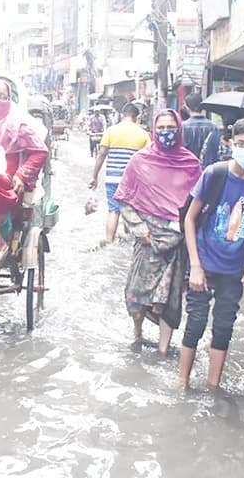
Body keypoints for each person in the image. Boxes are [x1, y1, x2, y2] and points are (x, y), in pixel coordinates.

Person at [179, 117, 244, 390]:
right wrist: (195, 266)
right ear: (231, 143)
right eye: (242, 144)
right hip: (205, 262)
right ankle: (183, 383)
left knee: (224, 327)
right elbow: (190, 219)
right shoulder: (215, 174)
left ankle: (213, 386)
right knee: (196, 322)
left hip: (234, 268)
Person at [114, 109, 201, 356]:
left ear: (179, 129)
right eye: (161, 128)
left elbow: (199, 205)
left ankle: (163, 351)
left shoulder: (191, 164)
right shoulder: (140, 161)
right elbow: (124, 199)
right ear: (153, 129)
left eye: (170, 127)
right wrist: (141, 231)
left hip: (177, 242)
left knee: (170, 301)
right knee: (136, 295)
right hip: (147, 241)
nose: (166, 133)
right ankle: (138, 332)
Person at [0, 79, 49, 269]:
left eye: (2, 97)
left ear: (9, 100)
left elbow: (40, 151)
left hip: (6, 174)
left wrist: (22, 175)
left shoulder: (16, 124)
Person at [88, 104, 151, 243]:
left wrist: (94, 177)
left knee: (113, 210)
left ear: (122, 114)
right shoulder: (143, 134)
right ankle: (132, 240)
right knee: (132, 209)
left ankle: (109, 241)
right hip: (133, 180)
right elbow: (148, 160)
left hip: (112, 178)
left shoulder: (111, 131)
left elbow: (101, 154)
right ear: (137, 117)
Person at [181, 92, 221, 168]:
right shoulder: (213, 127)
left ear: (187, 107)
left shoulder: (183, 127)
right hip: (208, 169)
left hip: (189, 168)